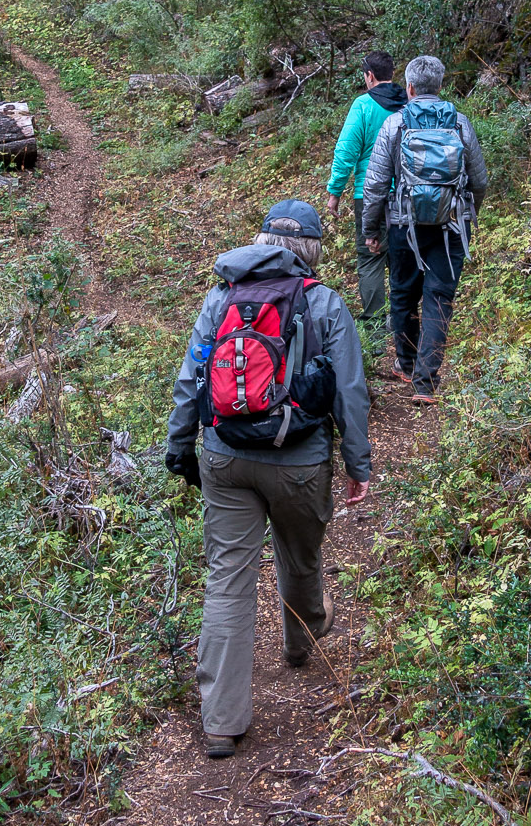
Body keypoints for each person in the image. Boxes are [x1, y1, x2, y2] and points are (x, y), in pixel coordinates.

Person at [165, 199, 372, 758]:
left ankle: (222, 723)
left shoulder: (220, 299)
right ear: (313, 252)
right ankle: (302, 642)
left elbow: (190, 381)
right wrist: (358, 465)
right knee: (301, 555)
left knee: (228, 579)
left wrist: (180, 446)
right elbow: (350, 392)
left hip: (224, 456)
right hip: (300, 462)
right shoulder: (325, 304)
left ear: (258, 245)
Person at [360, 54, 488, 404]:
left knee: (402, 293)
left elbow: (374, 184)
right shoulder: (459, 122)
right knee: (438, 297)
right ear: (441, 86)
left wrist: (371, 229)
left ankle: (405, 363)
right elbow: (479, 179)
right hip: (451, 227)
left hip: (404, 224)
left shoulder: (395, 124)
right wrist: (467, 213)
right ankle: (426, 382)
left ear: (410, 87)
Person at [325, 50, 408, 355]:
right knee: (401, 257)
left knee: (370, 259)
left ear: (369, 76)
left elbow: (346, 151)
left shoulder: (362, 105)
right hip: (406, 196)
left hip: (368, 195)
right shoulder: (407, 104)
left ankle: (374, 334)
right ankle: (404, 327)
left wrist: (335, 193)